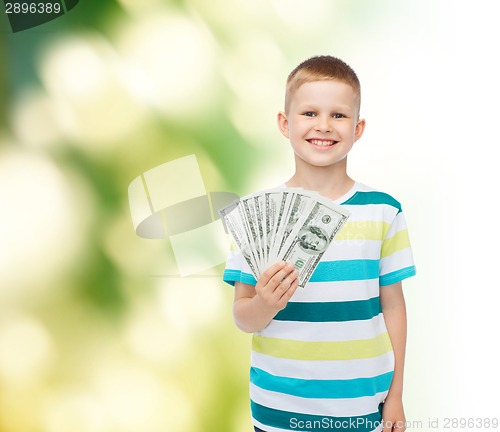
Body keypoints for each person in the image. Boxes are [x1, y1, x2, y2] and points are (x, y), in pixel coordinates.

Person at [223, 55, 416, 432]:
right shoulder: (255, 216)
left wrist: (395, 397)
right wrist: (263, 304)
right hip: (278, 408)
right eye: (309, 113)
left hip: (362, 408)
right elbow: (241, 317)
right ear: (284, 123)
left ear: (358, 128)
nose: (323, 126)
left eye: (338, 115)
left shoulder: (383, 211)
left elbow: (393, 306)